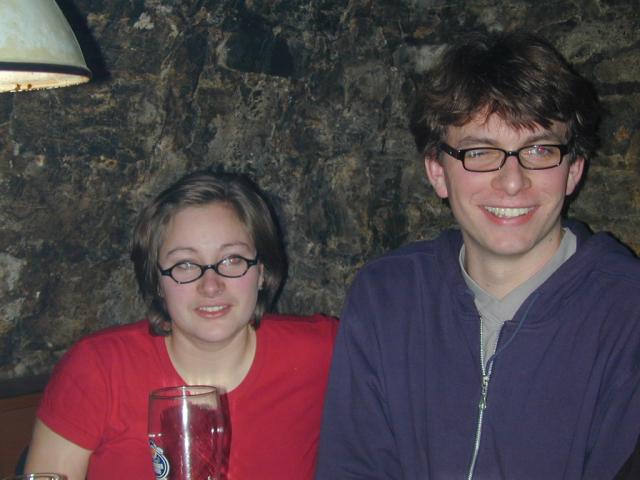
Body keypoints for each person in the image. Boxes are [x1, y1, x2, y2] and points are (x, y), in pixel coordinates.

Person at [316, 31, 640, 479]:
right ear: (438, 171)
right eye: (480, 151)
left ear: (573, 170)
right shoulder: (386, 297)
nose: (512, 181)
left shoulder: (627, 314)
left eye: (540, 149)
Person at [25, 170, 337, 480]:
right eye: (185, 264)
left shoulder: (321, 352)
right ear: (157, 281)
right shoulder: (98, 369)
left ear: (262, 272)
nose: (211, 285)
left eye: (232, 260)